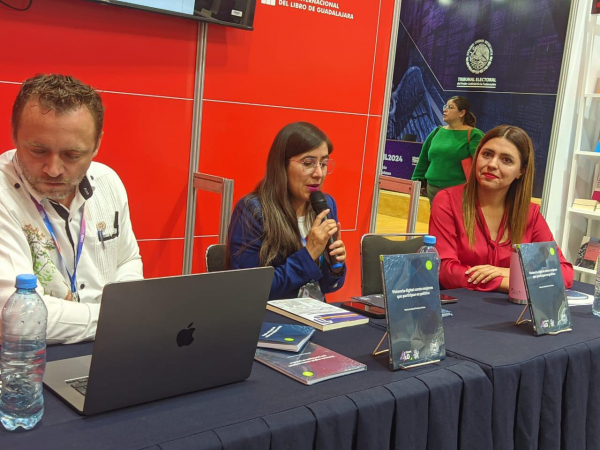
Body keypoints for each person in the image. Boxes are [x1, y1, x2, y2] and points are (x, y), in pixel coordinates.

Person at [0, 74, 143, 344]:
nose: (53, 169)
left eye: (72, 155)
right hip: (27, 360)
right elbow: (18, 319)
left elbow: (126, 261)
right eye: (38, 151)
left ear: (97, 144)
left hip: (109, 344)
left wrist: (124, 313)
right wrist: (120, 318)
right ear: (13, 133)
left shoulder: (107, 181)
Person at [429, 125, 573, 292]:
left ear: (521, 171)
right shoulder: (447, 201)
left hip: (511, 311)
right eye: (487, 154)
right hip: (462, 309)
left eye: (506, 160)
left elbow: (564, 273)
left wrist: (507, 272)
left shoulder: (529, 214)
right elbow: (445, 271)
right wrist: (513, 282)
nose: (492, 164)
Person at [227, 122, 346, 300]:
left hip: (315, 315)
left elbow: (329, 287)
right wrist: (309, 254)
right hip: (271, 319)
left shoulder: (325, 204)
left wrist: (334, 266)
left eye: (324, 163)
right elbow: (249, 290)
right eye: (308, 163)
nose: (319, 173)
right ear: (282, 165)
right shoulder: (253, 210)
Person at [412, 96, 484, 204]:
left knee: (456, 220)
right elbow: (423, 159)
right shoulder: (437, 131)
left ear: (462, 113)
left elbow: (480, 164)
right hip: (432, 189)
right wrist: (416, 180)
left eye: (450, 107)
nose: (445, 110)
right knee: (436, 220)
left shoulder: (474, 134)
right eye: (445, 106)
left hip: (458, 191)